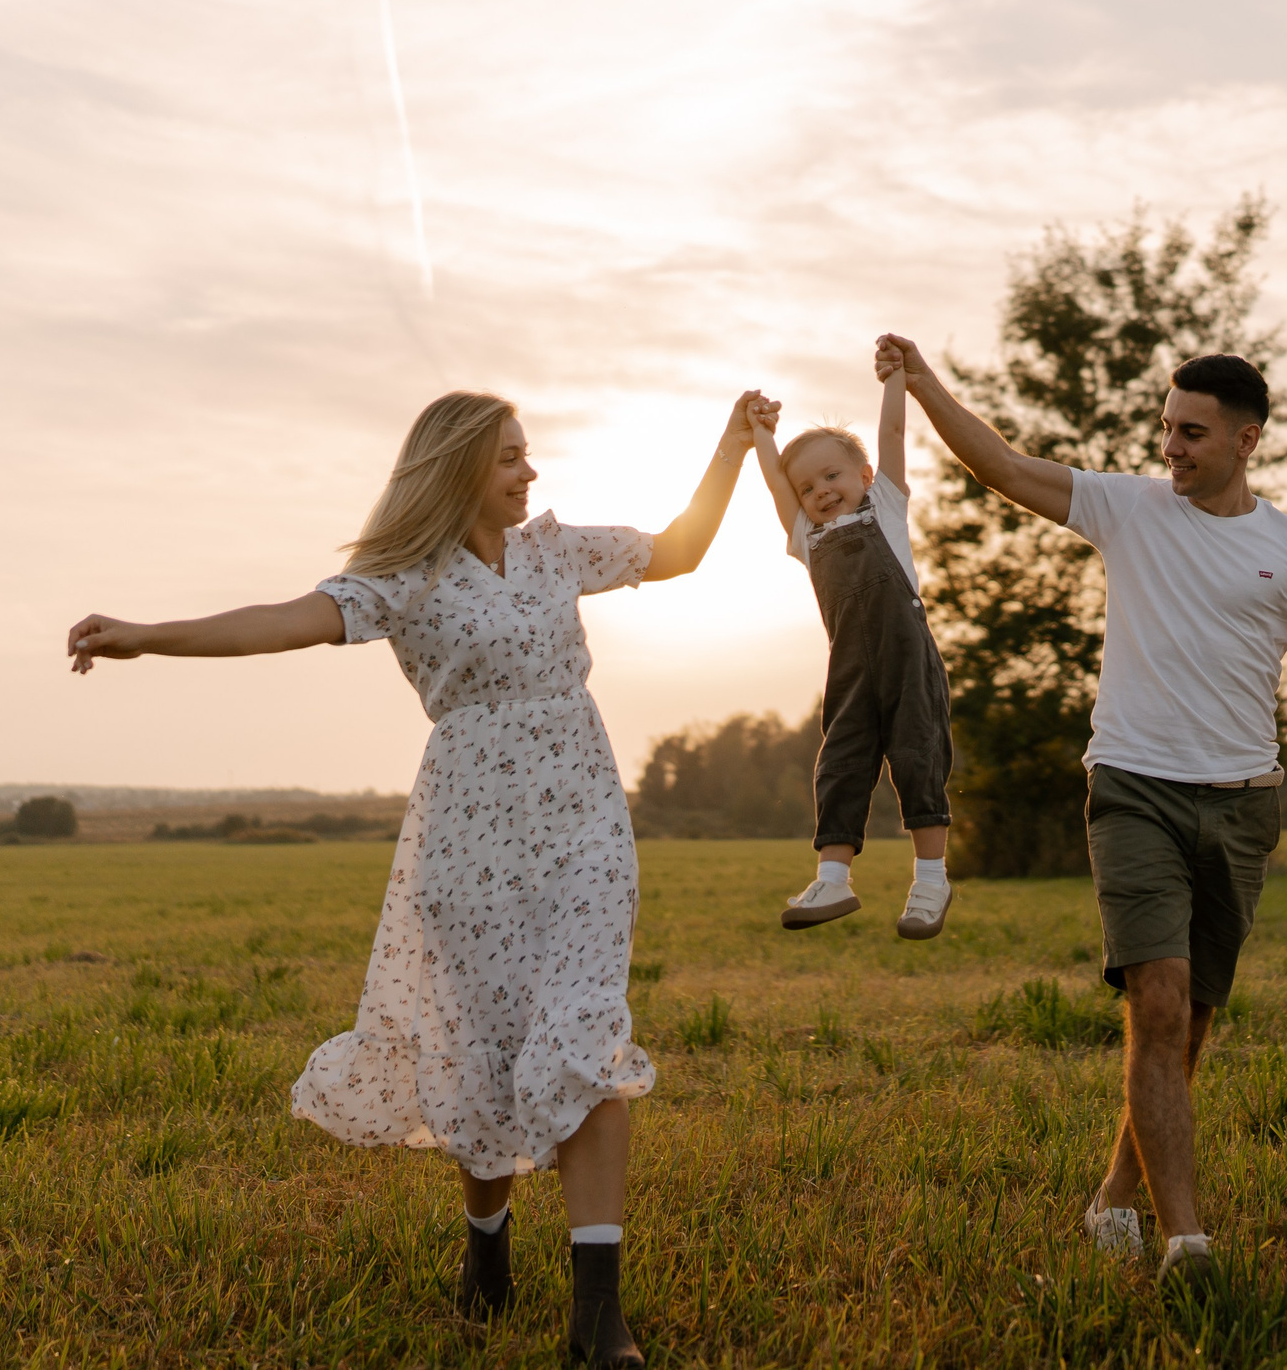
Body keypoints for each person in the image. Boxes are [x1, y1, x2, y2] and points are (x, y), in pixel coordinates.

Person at [65, 388, 773, 1367]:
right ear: (459, 472)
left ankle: (596, 1321)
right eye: (511, 458)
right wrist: (148, 635)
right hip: (467, 843)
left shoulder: (560, 551)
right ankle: (488, 1251)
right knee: (482, 1063)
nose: (530, 472)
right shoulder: (406, 580)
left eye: (529, 454)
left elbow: (681, 547)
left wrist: (730, 447)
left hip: (583, 831)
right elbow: (282, 620)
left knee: (583, 1033)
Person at [874, 334, 1287, 1282]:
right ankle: (1187, 1244)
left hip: (1246, 806)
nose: (1170, 447)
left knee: (1191, 1023)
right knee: (1158, 1002)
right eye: (1166, 427)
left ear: (1247, 439)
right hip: (1133, 789)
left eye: (1193, 433)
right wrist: (925, 385)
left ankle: (1113, 1199)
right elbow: (1004, 465)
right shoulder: (1128, 508)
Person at [751, 358, 957, 939]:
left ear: (865, 475)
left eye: (832, 476)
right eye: (808, 487)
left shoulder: (885, 508)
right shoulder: (806, 538)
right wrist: (761, 433)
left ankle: (930, 881)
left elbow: (893, 434)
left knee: (918, 755)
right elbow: (774, 480)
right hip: (849, 668)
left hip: (906, 655)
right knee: (839, 764)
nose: (821, 492)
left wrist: (896, 378)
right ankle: (834, 879)